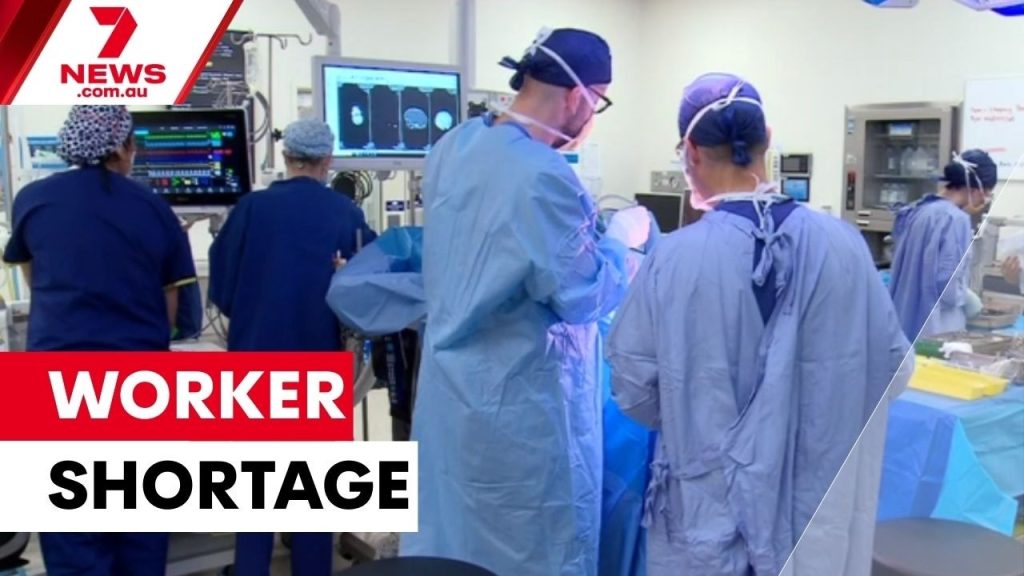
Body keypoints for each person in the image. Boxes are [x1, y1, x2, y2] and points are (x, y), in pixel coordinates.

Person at [607, 74, 910, 576]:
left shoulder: (674, 258)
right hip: (811, 517)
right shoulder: (845, 246)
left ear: (690, 152)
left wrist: (705, 418)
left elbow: (635, 391)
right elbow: (892, 373)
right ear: (768, 138)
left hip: (708, 515)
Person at [399, 28, 653, 576]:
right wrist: (621, 241)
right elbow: (584, 295)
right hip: (518, 415)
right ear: (579, 96)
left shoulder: (452, 147)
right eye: (598, 103)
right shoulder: (543, 175)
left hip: (452, 400)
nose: (592, 117)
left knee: (452, 546)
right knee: (530, 552)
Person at [2, 105, 195, 574]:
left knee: (70, 515)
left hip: (57, 385)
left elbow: (34, 278)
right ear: (124, 148)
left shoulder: (34, 200)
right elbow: (171, 306)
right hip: (135, 385)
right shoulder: (152, 207)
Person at [207, 118, 375, 576]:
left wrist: (255, 314)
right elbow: (369, 283)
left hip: (254, 364)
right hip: (317, 364)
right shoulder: (344, 213)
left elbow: (221, 287)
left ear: (286, 157)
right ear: (327, 160)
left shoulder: (251, 208)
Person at [889, 149, 997, 340]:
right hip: (936, 330)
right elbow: (948, 290)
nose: (984, 200)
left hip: (903, 322)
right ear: (975, 188)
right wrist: (966, 299)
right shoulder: (956, 220)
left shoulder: (916, 210)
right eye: (987, 193)